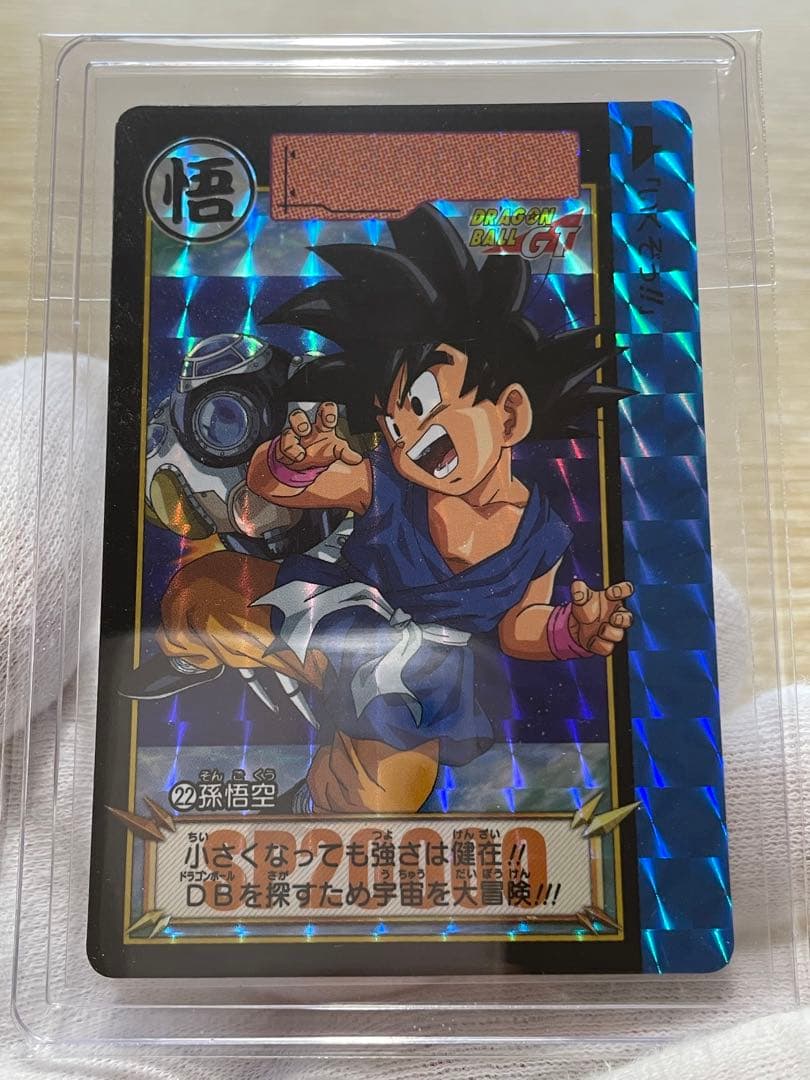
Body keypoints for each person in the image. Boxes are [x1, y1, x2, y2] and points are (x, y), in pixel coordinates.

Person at [154, 203, 636, 814]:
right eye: (393, 425)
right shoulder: (384, 482)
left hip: (420, 673)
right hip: (328, 607)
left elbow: (520, 627)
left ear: (510, 414)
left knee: (380, 795)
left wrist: (573, 632)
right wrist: (290, 459)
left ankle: (304, 812)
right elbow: (281, 489)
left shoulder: (543, 534)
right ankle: (192, 660)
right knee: (194, 598)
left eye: (426, 407)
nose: (409, 443)